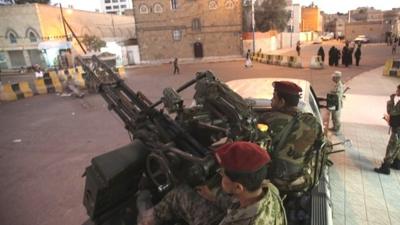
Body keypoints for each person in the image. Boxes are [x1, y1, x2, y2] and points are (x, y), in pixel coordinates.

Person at [138, 141, 287, 225]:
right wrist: (214, 197)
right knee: (181, 194)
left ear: (238, 187)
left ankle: (145, 220)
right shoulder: (270, 190)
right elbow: (236, 206)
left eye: (222, 173)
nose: (220, 175)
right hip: (228, 216)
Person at [259, 81, 324, 194]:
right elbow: (323, 147)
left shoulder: (267, 119)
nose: (271, 100)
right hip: (301, 183)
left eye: (274, 97)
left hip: (273, 182)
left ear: (282, 102)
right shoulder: (313, 123)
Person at [375, 85, 400, 175]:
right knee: (398, 147)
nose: (396, 91)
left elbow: (391, 112)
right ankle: (397, 163)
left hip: (398, 130)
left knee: (391, 147)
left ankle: (385, 168)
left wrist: (391, 100)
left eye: (398, 90)